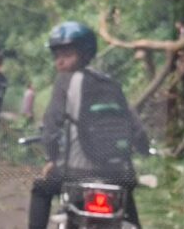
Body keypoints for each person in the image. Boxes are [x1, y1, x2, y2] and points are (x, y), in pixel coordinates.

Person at [28, 22, 149, 229]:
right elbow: (135, 126)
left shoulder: (65, 81)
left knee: (40, 188)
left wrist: (51, 158)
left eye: (67, 54)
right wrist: (144, 149)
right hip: (119, 173)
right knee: (128, 204)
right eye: (57, 55)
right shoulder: (111, 83)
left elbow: (51, 126)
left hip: (75, 173)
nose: (60, 61)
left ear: (85, 54)